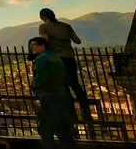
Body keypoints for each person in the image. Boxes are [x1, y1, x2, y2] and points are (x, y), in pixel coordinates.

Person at [29, 37, 95, 149]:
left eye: (34, 45)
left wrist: (34, 86)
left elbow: (40, 78)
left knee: (48, 130)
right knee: (62, 129)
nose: (32, 48)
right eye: (31, 46)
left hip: (47, 97)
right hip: (60, 96)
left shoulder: (42, 59)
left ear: (43, 46)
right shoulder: (55, 57)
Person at [38, 7, 94, 135]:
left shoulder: (43, 27)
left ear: (42, 17)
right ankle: (87, 113)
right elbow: (77, 41)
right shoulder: (66, 26)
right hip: (69, 56)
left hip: (56, 59)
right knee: (75, 84)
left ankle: (71, 118)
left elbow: (44, 42)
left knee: (63, 87)